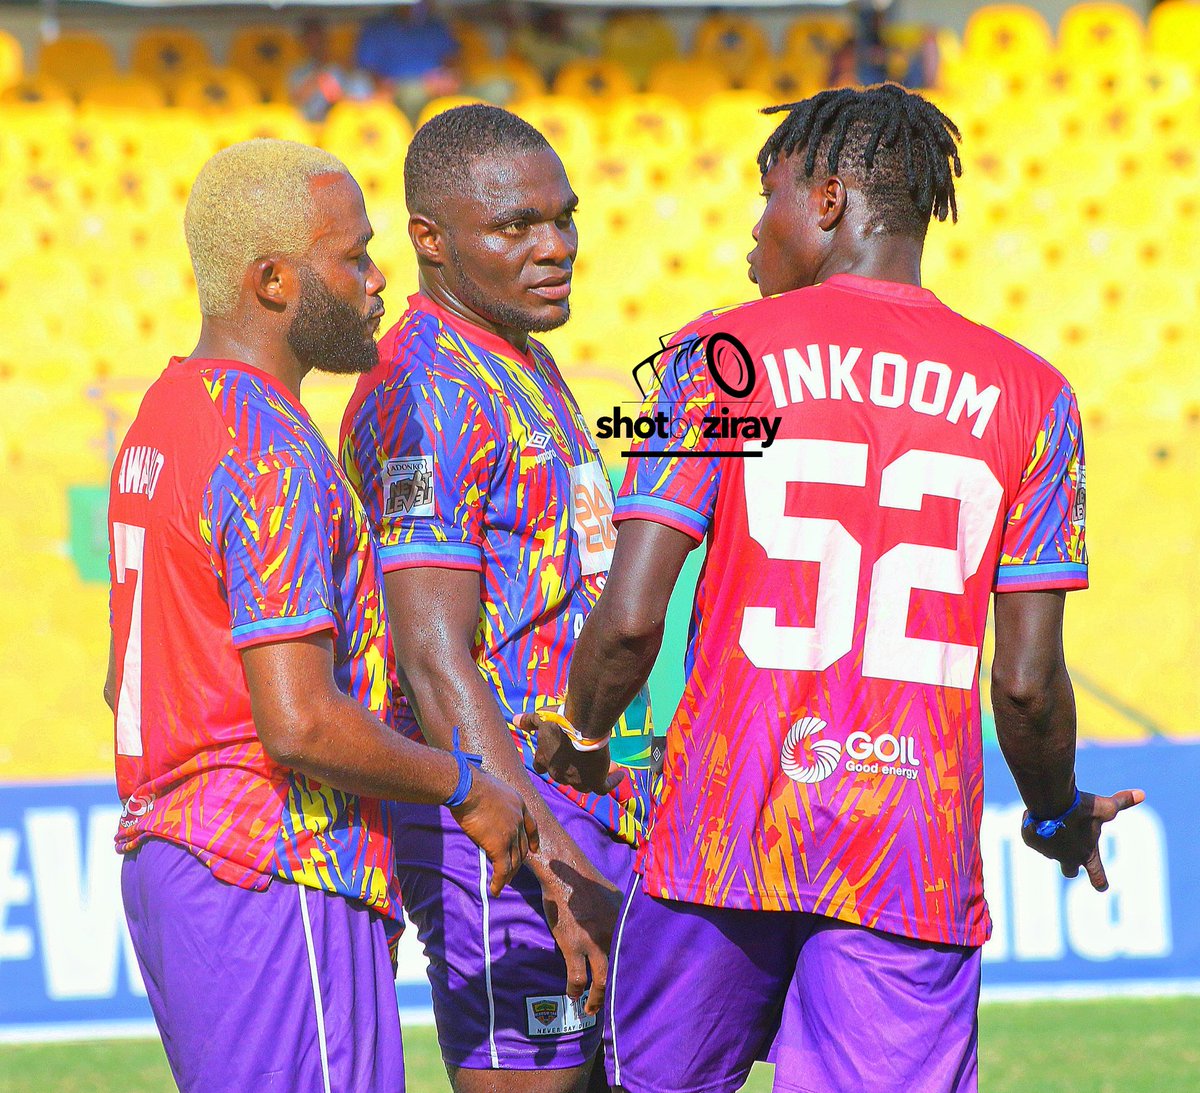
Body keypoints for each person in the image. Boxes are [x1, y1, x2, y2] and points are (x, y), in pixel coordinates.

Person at [528, 84, 1145, 1093]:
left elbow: (633, 618)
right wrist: (1055, 813)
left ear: (823, 199)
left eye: (763, 197)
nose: (749, 236)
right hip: (906, 850)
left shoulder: (719, 358)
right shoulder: (1037, 396)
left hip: (719, 835)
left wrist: (584, 735)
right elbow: (1028, 686)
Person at [105, 138, 537, 1092]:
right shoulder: (270, 446)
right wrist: (464, 780)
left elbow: (122, 678)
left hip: (183, 864)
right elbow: (297, 719)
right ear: (272, 280)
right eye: (352, 257)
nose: (380, 281)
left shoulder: (165, 413)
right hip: (273, 870)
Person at [339, 104, 650, 1093]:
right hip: (502, 831)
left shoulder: (527, 360)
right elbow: (436, 657)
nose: (554, 246)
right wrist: (550, 864)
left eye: (563, 218)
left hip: (577, 806)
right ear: (429, 239)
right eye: (515, 227)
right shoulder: (422, 385)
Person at [355, 2, 461, 119]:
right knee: (412, 94)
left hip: (434, 88)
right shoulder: (377, 27)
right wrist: (380, 86)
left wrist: (446, 77)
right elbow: (366, 68)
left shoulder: (435, 26)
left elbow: (452, 61)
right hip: (394, 90)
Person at [289, 18, 373, 123]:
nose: (315, 44)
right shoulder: (298, 70)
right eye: (310, 40)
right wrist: (319, 78)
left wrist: (339, 99)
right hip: (313, 126)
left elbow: (363, 98)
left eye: (318, 39)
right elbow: (296, 99)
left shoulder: (339, 66)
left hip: (345, 122)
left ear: (325, 39)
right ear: (303, 42)